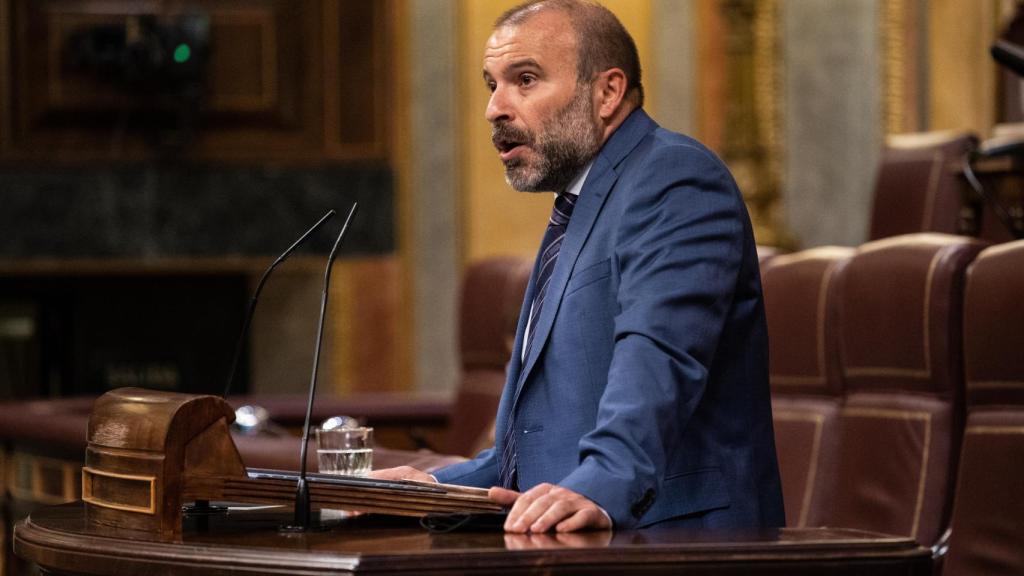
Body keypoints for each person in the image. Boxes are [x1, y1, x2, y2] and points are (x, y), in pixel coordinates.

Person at [373, 0, 784, 533]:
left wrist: (603, 483)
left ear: (607, 92)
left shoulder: (675, 180)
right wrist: (440, 492)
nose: (495, 108)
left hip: (675, 544)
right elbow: (544, 451)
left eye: (524, 80)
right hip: (582, 542)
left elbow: (660, 357)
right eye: (491, 85)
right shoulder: (583, 203)